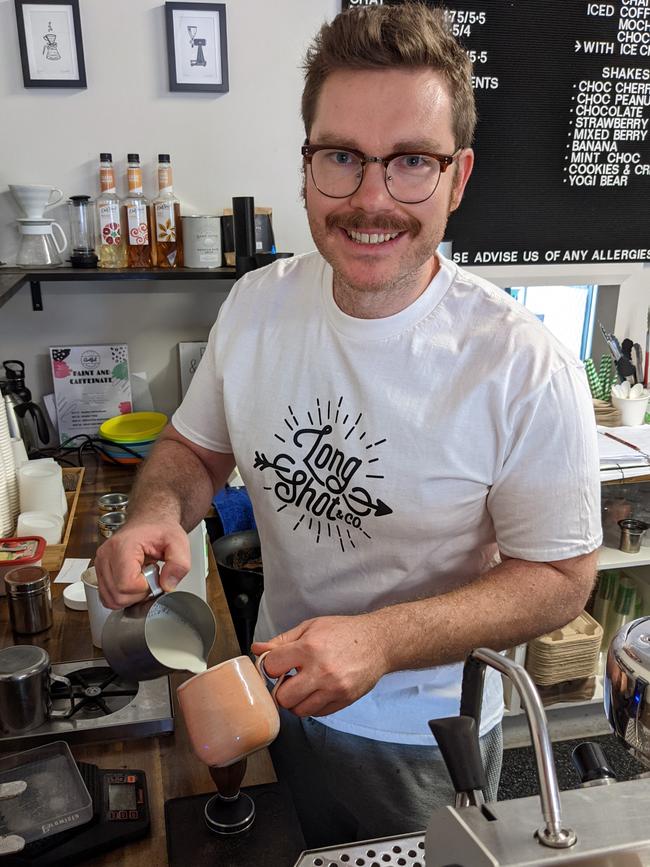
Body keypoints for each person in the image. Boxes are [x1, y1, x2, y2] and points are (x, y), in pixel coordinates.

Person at [95, 1, 601, 849]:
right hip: (271, 695)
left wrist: (382, 641)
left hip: (422, 740)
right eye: (341, 158)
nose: (371, 200)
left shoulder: (520, 363)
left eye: (411, 162)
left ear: (458, 176)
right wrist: (155, 513)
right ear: (305, 166)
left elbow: (560, 576)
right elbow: (192, 449)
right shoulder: (257, 305)